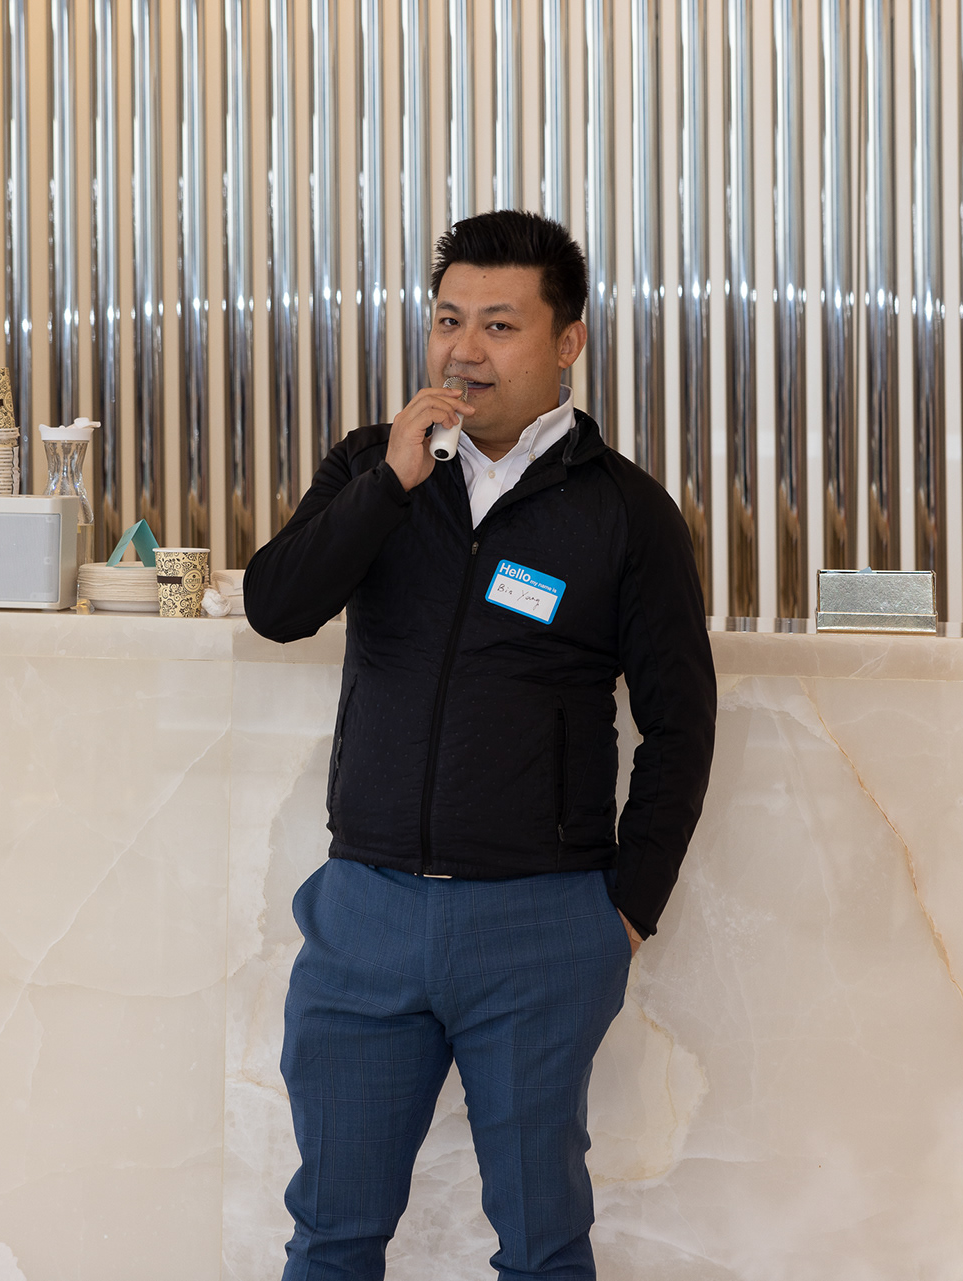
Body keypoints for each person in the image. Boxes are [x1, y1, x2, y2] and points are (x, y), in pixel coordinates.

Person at [245, 209, 717, 1281]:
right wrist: (390, 485)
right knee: (331, 1235)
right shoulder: (374, 466)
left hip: (540, 924)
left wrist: (625, 911)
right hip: (366, 912)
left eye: (500, 326)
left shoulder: (626, 512)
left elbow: (681, 723)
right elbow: (277, 605)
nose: (464, 351)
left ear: (568, 340)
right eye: (448, 320)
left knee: (543, 1245)